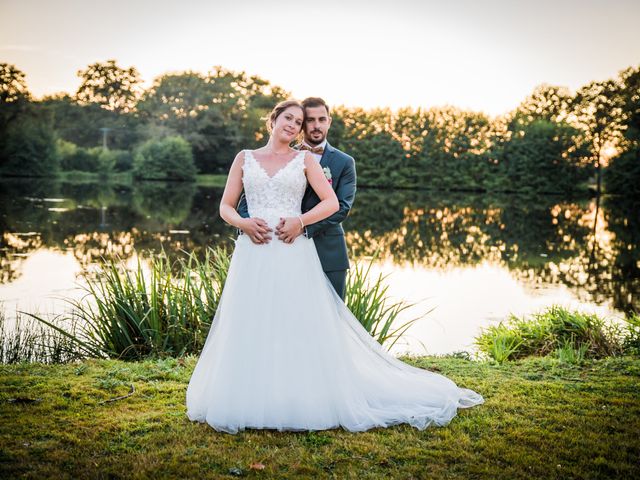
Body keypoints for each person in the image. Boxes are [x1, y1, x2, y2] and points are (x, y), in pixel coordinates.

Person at [186, 100, 484, 434]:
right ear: (273, 119)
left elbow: (331, 202)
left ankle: (297, 396)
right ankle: (246, 395)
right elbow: (226, 206)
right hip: (252, 252)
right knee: (250, 319)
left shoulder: (304, 159)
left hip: (291, 250)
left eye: (298, 122)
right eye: (288, 117)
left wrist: (300, 221)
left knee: (295, 321)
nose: (293, 124)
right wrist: (243, 223)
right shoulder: (244, 158)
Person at [237, 97, 356, 299]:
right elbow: (249, 199)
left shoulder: (344, 162)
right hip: (277, 246)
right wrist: (250, 227)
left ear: (329, 121)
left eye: (322, 119)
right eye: (310, 120)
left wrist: (302, 227)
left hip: (328, 250)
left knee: (330, 318)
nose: (316, 125)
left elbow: (342, 207)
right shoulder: (279, 156)